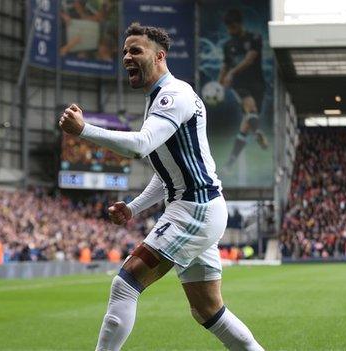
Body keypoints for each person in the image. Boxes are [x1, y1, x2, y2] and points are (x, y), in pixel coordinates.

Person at [59, 23, 263, 351]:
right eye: (125, 51)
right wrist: (133, 207)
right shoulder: (159, 98)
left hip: (194, 208)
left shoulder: (173, 95)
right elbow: (165, 171)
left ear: (159, 57)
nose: (127, 56)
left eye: (135, 50)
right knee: (207, 310)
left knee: (125, 285)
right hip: (199, 207)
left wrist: (84, 130)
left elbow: (141, 145)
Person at [219, 8, 268, 170]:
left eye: (232, 26)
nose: (230, 30)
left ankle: (231, 161)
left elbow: (250, 59)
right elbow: (225, 65)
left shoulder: (254, 38)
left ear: (239, 24)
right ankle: (258, 132)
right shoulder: (228, 45)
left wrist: (231, 72)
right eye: (228, 27)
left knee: (246, 123)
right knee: (250, 108)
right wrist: (220, 83)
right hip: (239, 85)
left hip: (257, 84)